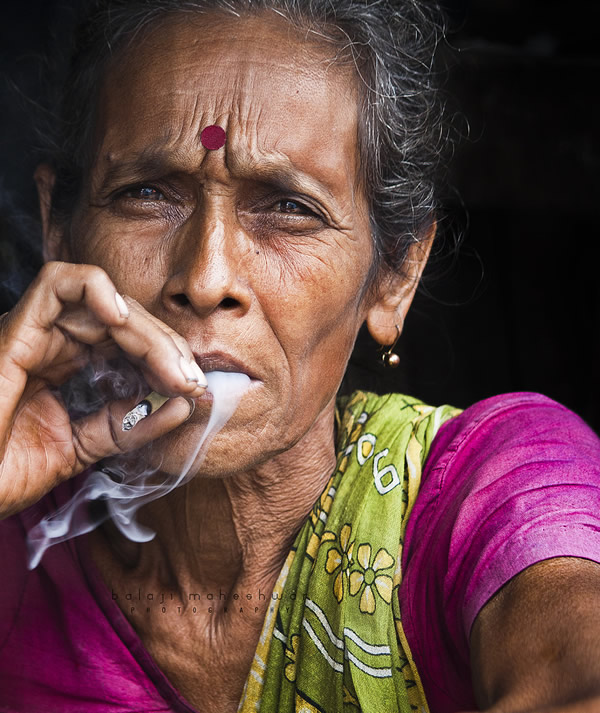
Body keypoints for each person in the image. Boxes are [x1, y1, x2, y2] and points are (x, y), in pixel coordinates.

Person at [0, 1, 599, 711]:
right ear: (59, 232)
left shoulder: (493, 491)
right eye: (147, 193)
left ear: (394, 276)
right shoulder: (23, 535)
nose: (206, 277)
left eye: (287, 207)